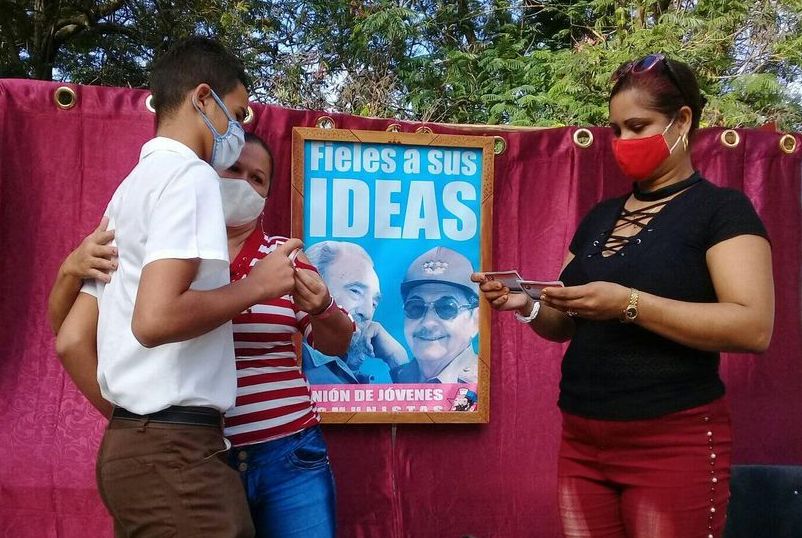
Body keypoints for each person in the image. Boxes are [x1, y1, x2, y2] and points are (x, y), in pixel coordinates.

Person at [473, 53, 774, 538]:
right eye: (616, 130)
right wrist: (526, 304)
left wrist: (629, 303)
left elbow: (752, 326)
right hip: (583, 437)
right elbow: (565, 320)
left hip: (671, 439)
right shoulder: (601, 216)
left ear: (682, 121)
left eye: (638, 126)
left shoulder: (721, 210)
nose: (624, 142)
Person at [49, 37, 301, 537]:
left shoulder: (129, 190)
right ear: (202, 99)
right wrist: (256, 286)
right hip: (177, 454)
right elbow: (155, 320)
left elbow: (73, 338)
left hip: (136, 450)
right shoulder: (190, 177)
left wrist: (134, 419)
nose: (237, 129)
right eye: (236, 112)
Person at [50, 133, 354, 538]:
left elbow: (337, 344)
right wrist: (136, 417)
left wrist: (323, 307)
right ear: (208, 174)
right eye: (234, 170)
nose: (243, 184)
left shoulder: (284, 257)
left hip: (290, 454)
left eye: (257, 179)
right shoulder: (162, 257)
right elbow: (72, 338)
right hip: (200, 455)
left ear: (267, 195)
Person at [302, 241, 407, 384]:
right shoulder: (290, 365)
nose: (368, 312)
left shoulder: (345, 375)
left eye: (374, 303)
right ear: (308, 288)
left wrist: (397, 360)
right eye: (355, 291)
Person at [393, 246, 480, 384]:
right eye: (415, 307)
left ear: (476, 321)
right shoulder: (394, 379)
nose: (428, 322)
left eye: (446, 308)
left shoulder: (491, 385)